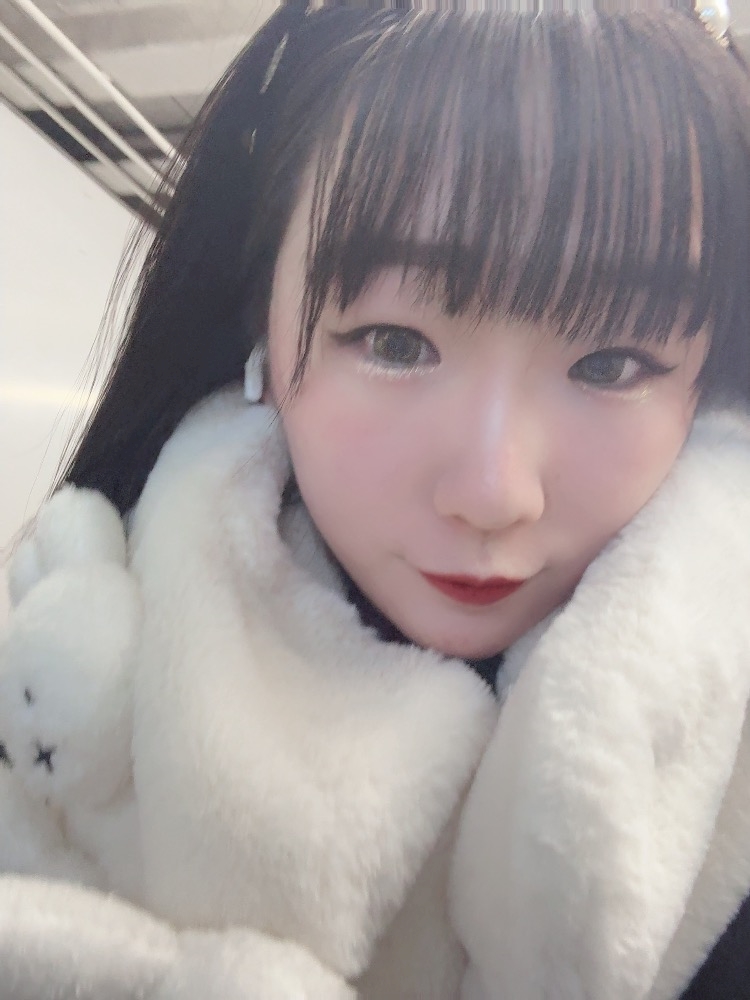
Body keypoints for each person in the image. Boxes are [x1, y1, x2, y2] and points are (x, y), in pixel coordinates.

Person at [1, 1, 750, 997]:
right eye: (395, 343)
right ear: (261, 318)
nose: (494, 493)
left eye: (612, 363)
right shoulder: (60, 668)